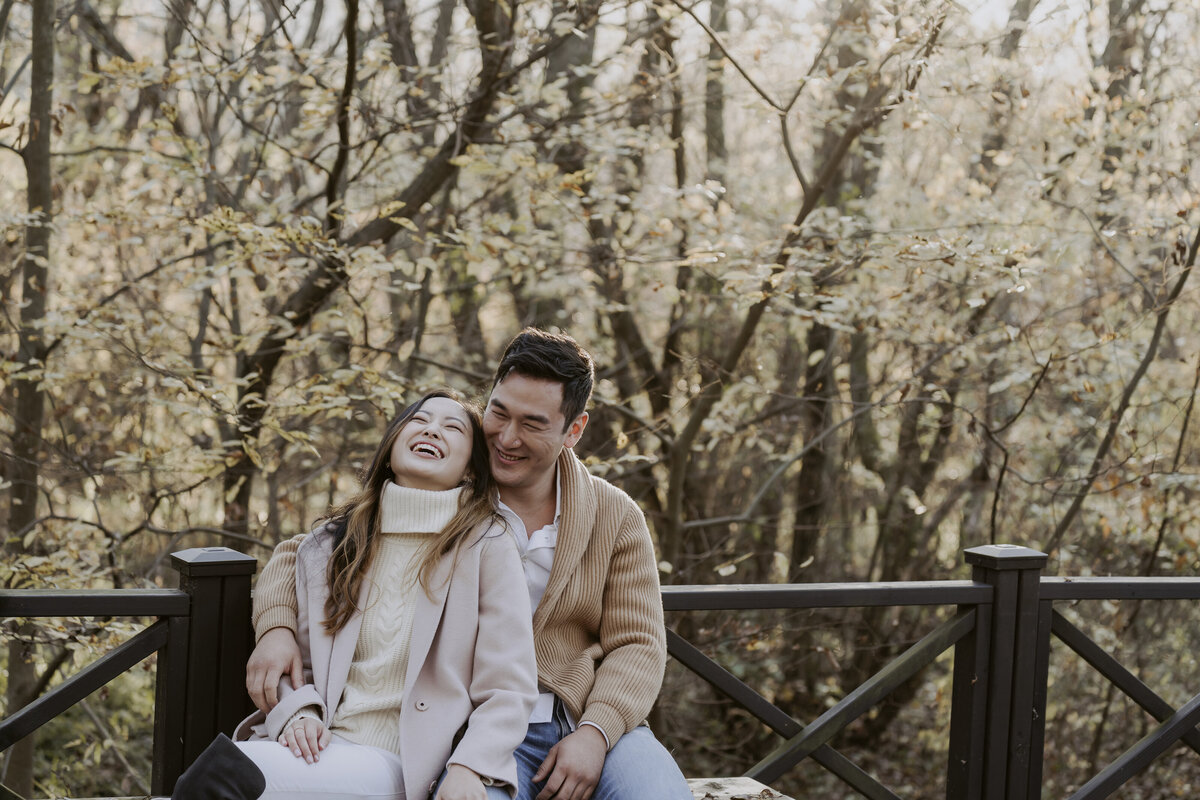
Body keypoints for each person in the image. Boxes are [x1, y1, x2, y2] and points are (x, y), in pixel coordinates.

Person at [246, 329, 692, 800]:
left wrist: (596, 732)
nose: (507, 437)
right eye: (499, 412)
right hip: (475, 731)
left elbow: (638, 643)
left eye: (533, 424)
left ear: (573, 431)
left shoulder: (613, 515)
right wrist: (275, 628)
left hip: (587, 719)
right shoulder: (442, 488)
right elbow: (311, 549)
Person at [172, 390, 537, 800]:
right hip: (319, 745)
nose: (432, 429)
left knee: (219, 776)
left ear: (470, 468)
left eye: (452, 428)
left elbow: (508, 687)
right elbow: (303, 664)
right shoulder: (334, 543)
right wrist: (298, 711)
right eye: (419, 420)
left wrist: (471, 766)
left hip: (402, 761)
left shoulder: (487, 545)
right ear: (393, 441)